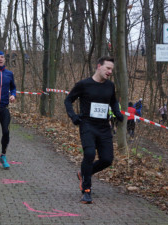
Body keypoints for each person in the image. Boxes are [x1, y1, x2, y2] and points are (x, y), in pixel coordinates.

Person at [64, 56, 123, 204]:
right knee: (89, 154)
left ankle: (83, 173)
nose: (110, 72)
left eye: (111, 69)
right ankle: (86, 190)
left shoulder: (110, 86)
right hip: (87, 125)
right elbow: (68, 100)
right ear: (99, 66)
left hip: (103, 127)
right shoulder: (84, 84)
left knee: (107, 160)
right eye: (107, 68)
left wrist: (118, 113)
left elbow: (113, 101)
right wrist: (73, 116)